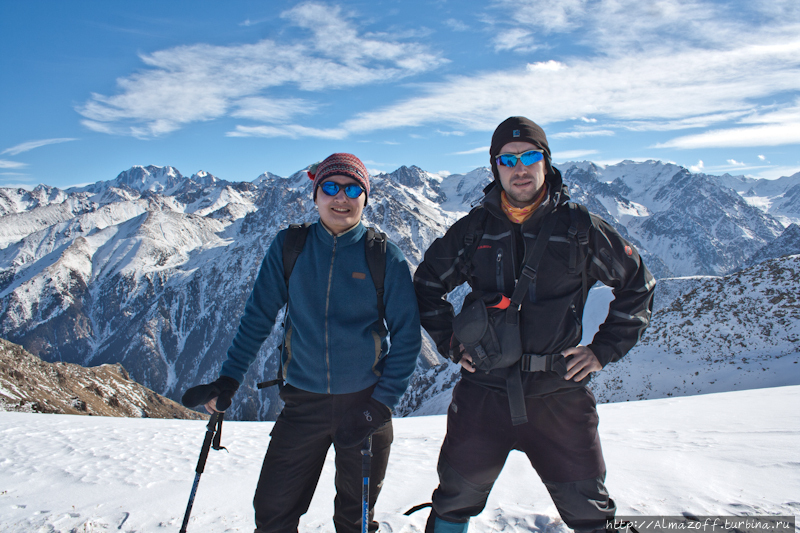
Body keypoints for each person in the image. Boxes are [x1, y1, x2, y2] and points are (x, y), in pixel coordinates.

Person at [413, 117, 655, 533]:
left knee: (590, 512)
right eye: (508, 159)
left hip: (558, 392)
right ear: (495, 167)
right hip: (484, 392)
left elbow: (637, 284)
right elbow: (425, 285)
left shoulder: (578, 228)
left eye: (529, 156)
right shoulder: (474, 230)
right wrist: (452, 343)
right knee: (454, 501)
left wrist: (602, 351)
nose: (519, 167)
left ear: (545, 162)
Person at [183, 153, 421, 533]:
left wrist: (380, 406)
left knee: (353, 522)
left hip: (365, 407)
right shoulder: (290, 247)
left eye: (352, 188)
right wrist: (228, 380)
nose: (340, 197)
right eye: (330, 187)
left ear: (365, 196)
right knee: (273, 513)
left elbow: (408, 338)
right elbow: (257, 318)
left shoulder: (384, 256)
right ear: (315, 196)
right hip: (302, 404)